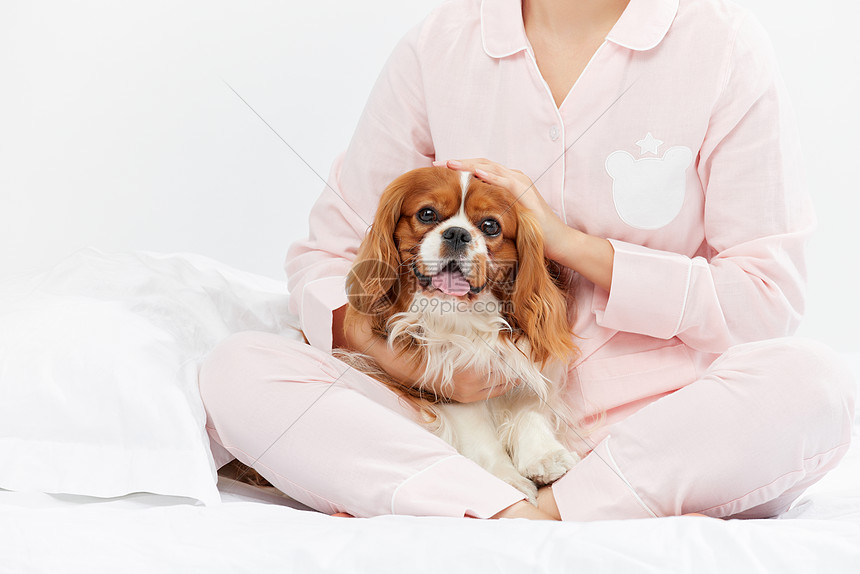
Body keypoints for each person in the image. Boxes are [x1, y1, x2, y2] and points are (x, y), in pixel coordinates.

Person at [198, 0, 856, 521]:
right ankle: (519, 507)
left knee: (818, 386)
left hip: (659, 422)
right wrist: (421, 370)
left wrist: (566, 243)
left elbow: (766, 300)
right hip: (448, 416)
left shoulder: (723, 43)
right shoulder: (440, 44)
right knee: (239, 370)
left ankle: (520, 509)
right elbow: (325, 257)